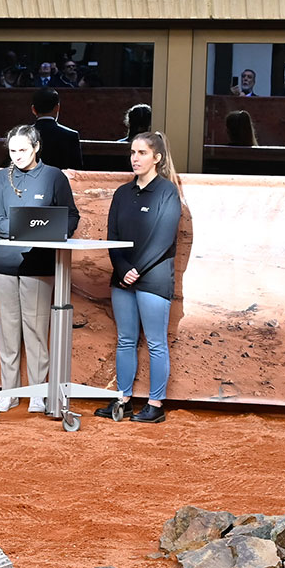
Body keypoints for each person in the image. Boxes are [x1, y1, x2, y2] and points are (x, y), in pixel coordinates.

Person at [0, 123, 78, 414]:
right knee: (8, 331)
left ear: (36, 147)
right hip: (4, 263)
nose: (17, 155)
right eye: (12, 150)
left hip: (39, 263)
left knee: (36, 331)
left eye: (23, 149)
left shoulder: (54, 177)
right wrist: (32, 229)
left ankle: (39, 393)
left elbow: (70, 218)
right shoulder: (0, 178)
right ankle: (10, 392)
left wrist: (40, 231)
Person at [96, 131, 182, 425]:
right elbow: (113, 236)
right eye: (133, 152)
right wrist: (122, 269)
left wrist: (136, 270)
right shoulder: (122, 193)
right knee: (126, 340)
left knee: (156, 343)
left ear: (157, 158)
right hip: (123, 278)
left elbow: (163, 239)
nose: (135, 158)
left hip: (153, 280)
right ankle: (123, 399)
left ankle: (155, 405)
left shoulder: (167, 192)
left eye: (142, 153)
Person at [30, 88, 82, 170]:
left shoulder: (22, 135)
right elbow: (77, 172)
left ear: (33, 109)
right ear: (57, 108)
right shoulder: (70, 136)